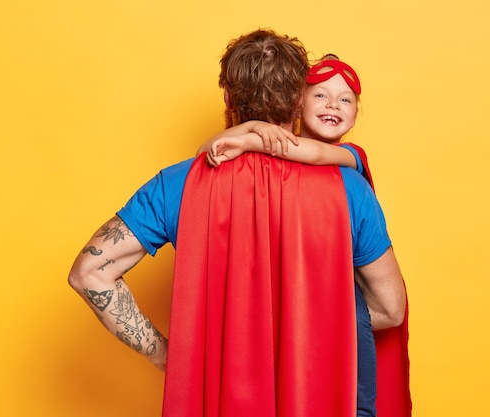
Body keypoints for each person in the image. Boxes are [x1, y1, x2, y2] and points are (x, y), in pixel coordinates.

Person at [68, 29, 406, 417]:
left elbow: (90, 273)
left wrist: (166, 355)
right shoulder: (348, 188)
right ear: (300, 100)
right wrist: (303, 332)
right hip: (325, 394)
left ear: (228, 98)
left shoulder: (178, 183)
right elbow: (390, 309)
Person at [200, 55, 413, 416]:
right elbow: (207, 150)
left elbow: (311, 153)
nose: (333, 105)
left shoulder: (348, 156)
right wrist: (254, 125)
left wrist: (253, 139)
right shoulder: (278, 158)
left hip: (340, 308)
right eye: (321, 96)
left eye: (346, 100)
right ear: (298, 102)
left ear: (357, 113)